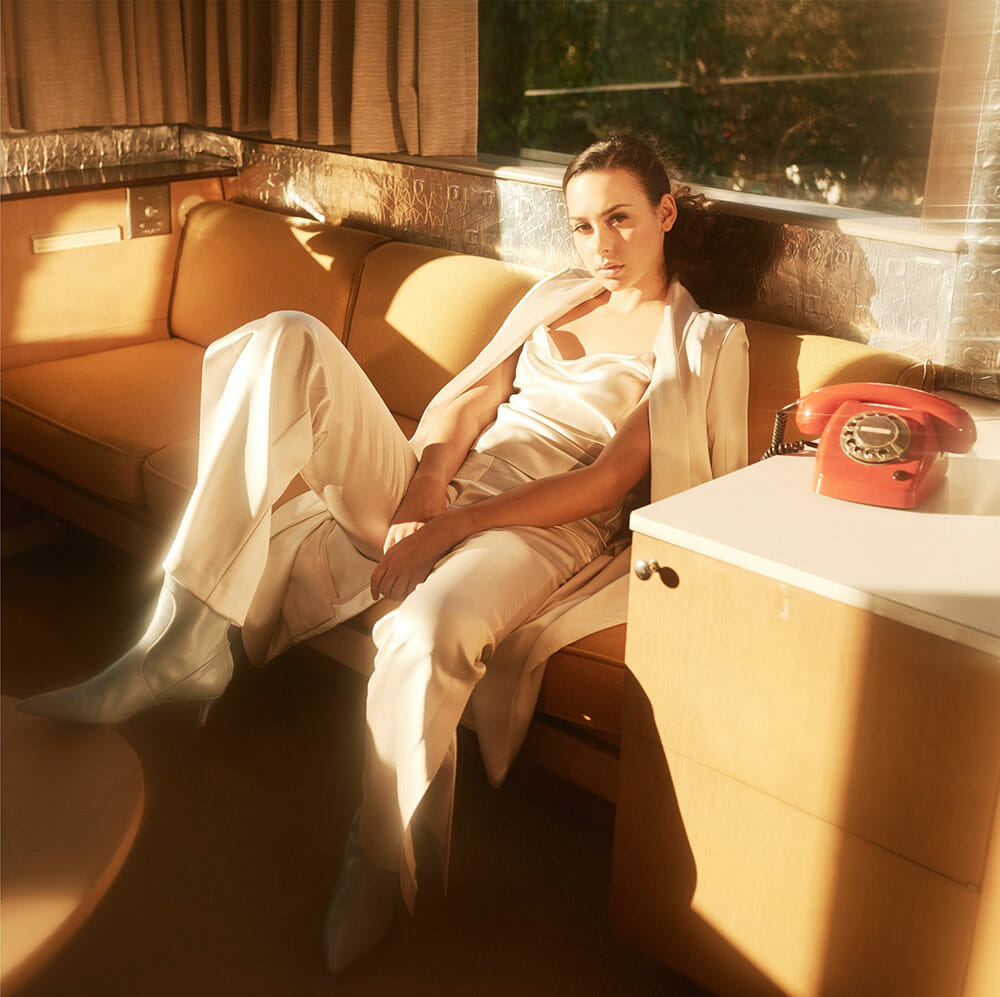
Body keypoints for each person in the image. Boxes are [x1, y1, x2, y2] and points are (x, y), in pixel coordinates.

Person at [19, 133, 750, 973]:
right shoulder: (557, 296)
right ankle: (182, 637)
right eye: (583, 227)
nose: (601, 245)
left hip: (540, 530)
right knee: (288, 336)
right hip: (449, 487)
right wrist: (427, 487)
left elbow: (606, 481)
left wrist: (448, 530)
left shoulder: (696, 339)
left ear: (664, 213)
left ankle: (377, 851)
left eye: (620, 219)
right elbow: (469, 400)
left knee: (425, 630)